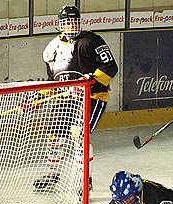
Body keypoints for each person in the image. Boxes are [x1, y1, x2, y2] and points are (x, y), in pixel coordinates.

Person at [33, 5, 118, 191]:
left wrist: (91, 80)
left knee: (80, 135)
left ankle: (85, 180)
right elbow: (52, 81)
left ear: (79, 22)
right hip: (66, 100)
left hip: (93, 97)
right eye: (66, 22)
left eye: (73, 21)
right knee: (54, 137)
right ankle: (52, 175)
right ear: (60, 25)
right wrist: (38, 98)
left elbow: (111, 67)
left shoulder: (92, 41)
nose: (70, 25)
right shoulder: (53, 47)